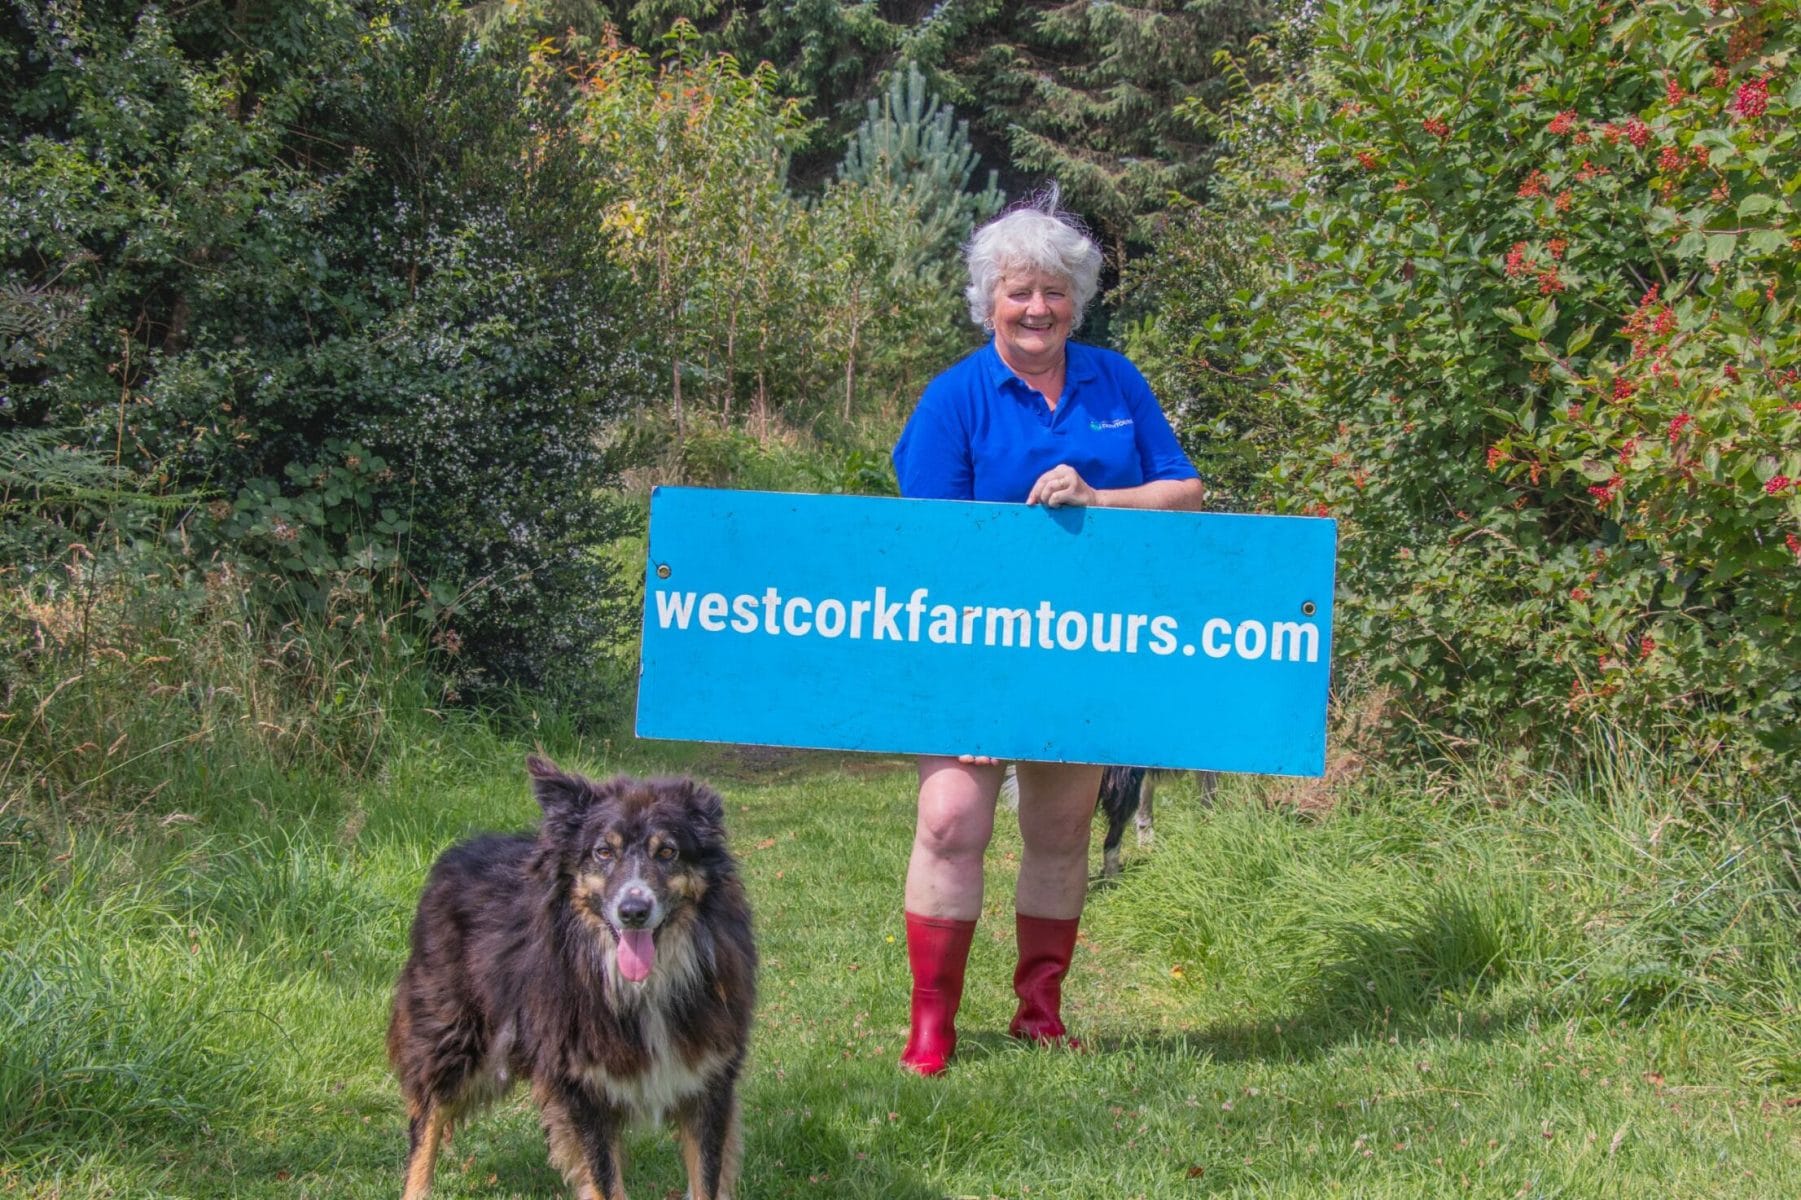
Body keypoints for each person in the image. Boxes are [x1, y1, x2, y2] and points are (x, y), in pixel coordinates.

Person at [889, 194, 1205, 1076]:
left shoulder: (1116, 381)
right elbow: (929, 545)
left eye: (1055, 293)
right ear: (989, 300)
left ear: (1078, 299)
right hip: (969, 653)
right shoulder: (953, 398)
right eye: (1018, 292)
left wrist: (1102, 498)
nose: (1037, 309)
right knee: (951, 822)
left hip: (1085, 652)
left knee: (1061, 832)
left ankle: (1039, 1011)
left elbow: (1183, 492)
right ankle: (931, 1026)